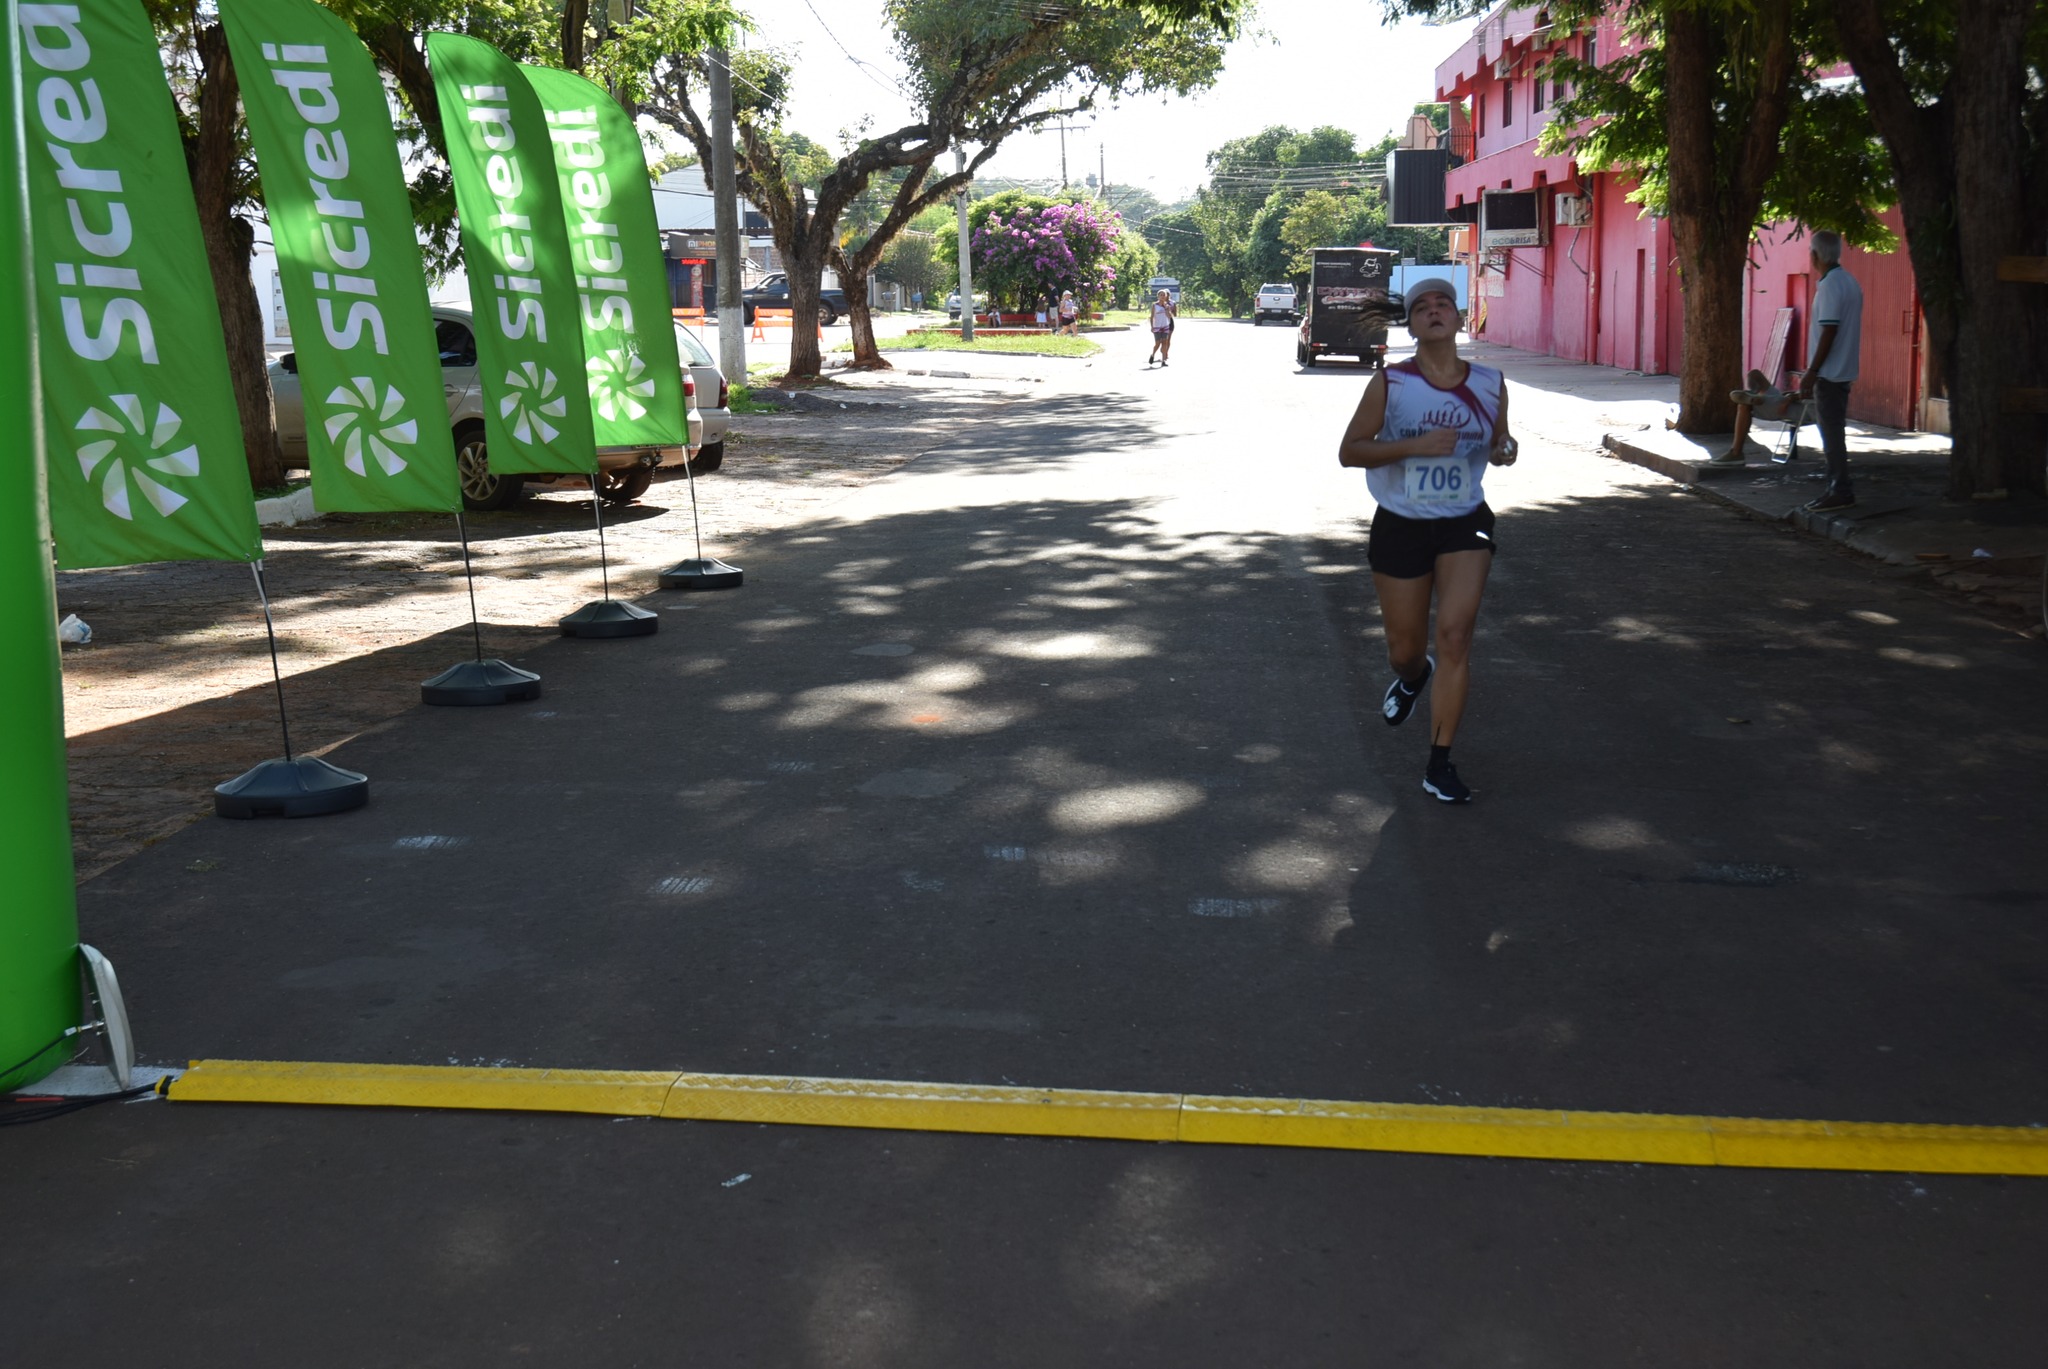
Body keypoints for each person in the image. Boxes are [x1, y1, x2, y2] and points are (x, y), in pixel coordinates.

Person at [1337, 278, 1516, 804]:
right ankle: (1413, 679)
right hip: (1401, 521)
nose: (1434, 311)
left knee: (1456, 636)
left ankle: (1439, 763)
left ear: (1460, 320)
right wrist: (1416, 445)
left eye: (1444, 304)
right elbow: (1351, 451)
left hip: (1464, 520)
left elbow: (1499, 441)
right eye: (1422, 307)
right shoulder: (1391, 383)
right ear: (1411, 324)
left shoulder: (1489, 382)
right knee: (1404, 650)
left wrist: (1505, 449)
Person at [1793, 230, 1862, 511]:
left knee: (1831, 434)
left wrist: (1811, 371)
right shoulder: (1849, 282)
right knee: (1834, 432)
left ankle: (1840, 488)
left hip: (1829, 373)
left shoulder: (1832, 285)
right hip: (1842, 369)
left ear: (1815, 255)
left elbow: (1829, 331)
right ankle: (1837, 486)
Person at [1147, 289, 1177, 366]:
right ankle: (1152, 355)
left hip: (1165, 326)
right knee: (1157, 343)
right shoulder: (1155, 305)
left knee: (1164, 342)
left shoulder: (1167, 305)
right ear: (1158, 296)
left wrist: (1167, 309)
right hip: (1157, 326)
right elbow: (1152, 316)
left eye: (1164, 295)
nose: (1163, 296)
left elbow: (1170, 316)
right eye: (1161, 295)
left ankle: (1163, 361)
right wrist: (1152, 326)